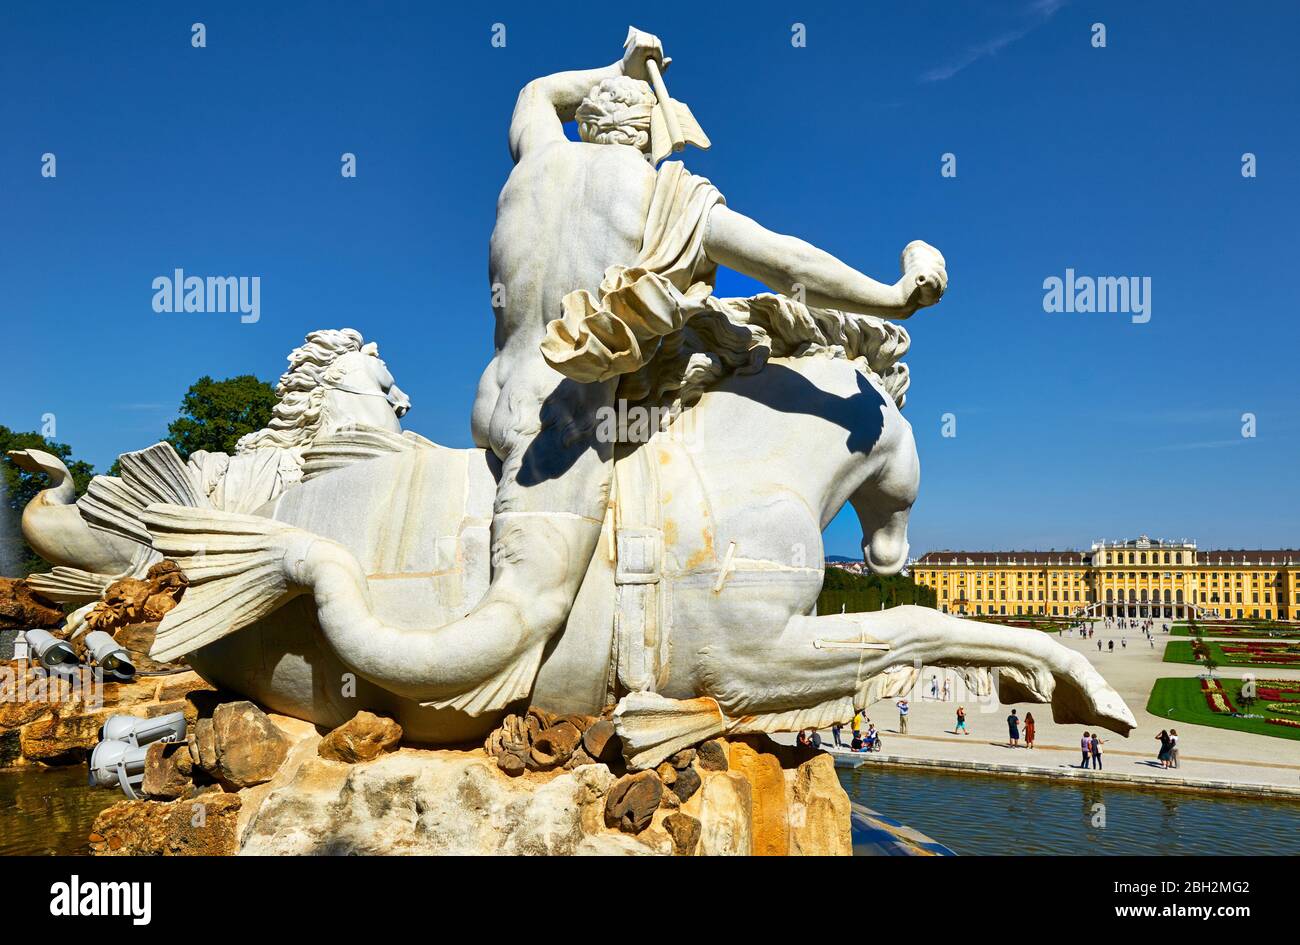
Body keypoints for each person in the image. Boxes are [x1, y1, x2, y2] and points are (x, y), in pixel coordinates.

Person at [446, 26, 948, 713]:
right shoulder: (663, 197)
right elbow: (791, 266)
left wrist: (615, 66)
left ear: (587, 117)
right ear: (645, 131)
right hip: (569, 422)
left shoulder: (535, 160)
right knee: (527, 614)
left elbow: (536, 91)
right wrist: (891, 299)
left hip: (492, 402)